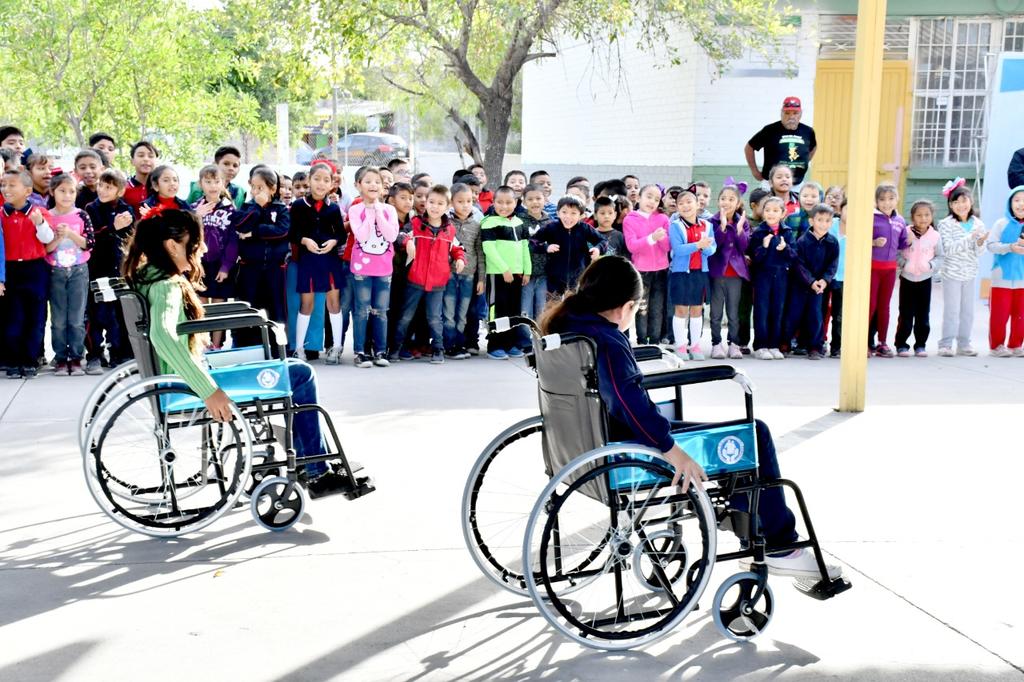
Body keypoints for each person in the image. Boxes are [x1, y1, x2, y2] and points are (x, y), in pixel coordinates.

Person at [539, 256, 841, 580]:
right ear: (626, 306)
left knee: (734, 441)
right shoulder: (608, 340)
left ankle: (748, 522)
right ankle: (780, 546)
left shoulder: (570, 326)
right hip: (634, 446)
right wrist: (673, 451)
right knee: (754, 435)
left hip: (584, 446)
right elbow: (628, 401)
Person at [122, 208, 350, 497]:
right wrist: (208, 390)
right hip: (187, 385)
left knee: (284, 366)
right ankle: (315, 470)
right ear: (171, 246)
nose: (202, 249)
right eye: (194, 244)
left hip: (183, 375)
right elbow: (162, 335)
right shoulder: (166, 286)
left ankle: (312, 460)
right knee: (300, 373)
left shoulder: (147, 277)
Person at [392, 185, 466, 364]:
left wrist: (460, 259)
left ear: (447, 206)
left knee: (435, 318)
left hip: (438, 282)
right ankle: (395, 348)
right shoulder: (416, 223)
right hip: (414, 279)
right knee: (405, 317)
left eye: (440, 203)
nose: (434, 206)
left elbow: (457, 247)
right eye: (431, 202)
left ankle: (438, 349)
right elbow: (400, 235)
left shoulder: (450, 230)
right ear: (426, 203)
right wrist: (408, 242)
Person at [289, 163, 346, 364]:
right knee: (307, 303)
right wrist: (305, 240)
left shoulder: (334, 208)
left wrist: (334, 241)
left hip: (330, 260)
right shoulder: (297, 206)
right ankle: (299, 349)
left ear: (332, 183)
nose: (321, 184)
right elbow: (293, 233)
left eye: (326, 180)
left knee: (334, 303)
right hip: (308, 260)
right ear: (309, 180)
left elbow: (340, 233)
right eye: (317, 179)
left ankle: (336, 347)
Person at [0, 169, 54, 379]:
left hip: (35, 268)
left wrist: (39, 222)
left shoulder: (38, 212)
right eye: (4, 185)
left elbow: (47, 238)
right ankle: (14, 360)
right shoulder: (2, 214)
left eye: (12, 185)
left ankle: (31, 360)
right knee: (14, 318)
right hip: (11, 269)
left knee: (36, 316)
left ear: (28, 190)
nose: (6, 189)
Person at [347, 166, 399, 367]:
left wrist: (378, 212)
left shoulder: (389, 209)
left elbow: (391, 236)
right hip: (361, 269)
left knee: (381, 310)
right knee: (361, 310)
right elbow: (360, 235)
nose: (373, 185)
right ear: (358, 185)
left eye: (377, 181)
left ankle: (380, 351)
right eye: (367, 181)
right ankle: (360, 351)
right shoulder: (355, 209)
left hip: (384, 268)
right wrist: (369, 215)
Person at [85, 169, 135, 373]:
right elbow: (91, 237)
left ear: (120, 191)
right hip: (96, 269)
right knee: (97, 314)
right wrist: (112, 227)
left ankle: (119, 353)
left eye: (109, 187)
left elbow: (130, 238)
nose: (103, 190)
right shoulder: (91, 208)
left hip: (119, 270)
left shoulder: (126, 209)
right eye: (101, 185)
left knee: (119, 313)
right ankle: (94, 354)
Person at [234, 167, 291, 347]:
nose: (256, 192)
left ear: (272, 189)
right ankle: (246, 345)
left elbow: (282, 231)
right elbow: (242, 225)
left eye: (261, 188)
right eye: (253, 187)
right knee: (249, 306)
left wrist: (255, 233)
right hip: (249, 267)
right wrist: (257, 207)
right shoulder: (248, 207)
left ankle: (277, 347)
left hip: (274, 268)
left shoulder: (281, 209)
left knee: (275, 308)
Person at [45, 174, 95, 375]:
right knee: (58, 319)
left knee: (76, 317)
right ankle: (60, 357)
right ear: (52, 192)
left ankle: (75, 357)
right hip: (55, 270)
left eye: (71, 191)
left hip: (78, 270)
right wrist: (58, 237)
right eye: (62, 191)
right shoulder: (47, 215)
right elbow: (45, 248)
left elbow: (89, 243)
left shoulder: (82, 215)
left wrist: (71, 234)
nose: (67, 195)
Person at [936, 178, 987, 357]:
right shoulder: (945, 224)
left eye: (964, 200)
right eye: (955, 202)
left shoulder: (979, 224)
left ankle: (964, 343)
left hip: (970, 273)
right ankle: (946, 343)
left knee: (968, 311)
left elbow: (980, 252)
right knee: (952, 310)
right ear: (950, 205)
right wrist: (969, 238)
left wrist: (980, 242)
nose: (960, 205)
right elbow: (948, 250)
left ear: (971, 201)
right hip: (952, 274)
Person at [191, 166, 239, 350]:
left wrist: (226, 266)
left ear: (223, 183)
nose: (213, 186)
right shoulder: (194, 208)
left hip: (220, 264)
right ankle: (202, 344)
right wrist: (196, 216)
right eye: (208, 181)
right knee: (200, 305)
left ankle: (217, 345)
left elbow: (233, 242)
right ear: (200, 184)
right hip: (199, 264)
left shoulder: (230, 209)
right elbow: (187, 234)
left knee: (218, 306)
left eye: (216, 181)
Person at [481, 185, 531, 359]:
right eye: (500, 202)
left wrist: (527, 271)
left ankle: (510, 343)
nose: (504, 206)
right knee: (498, 310)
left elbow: (525, 248)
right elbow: (489, 249)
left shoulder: (519, 223)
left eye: (508, 202)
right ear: (493, 203)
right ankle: (495, 345)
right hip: (498, 274)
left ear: (516, 202)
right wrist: (504, 269)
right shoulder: (489, 222)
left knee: (513, 310)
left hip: (517, 275)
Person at [784, 204, 839, 360]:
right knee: (793, 315)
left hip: (819, 287)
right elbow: (798, 264)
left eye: (827, 220)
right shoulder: (802, 241)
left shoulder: (832, 242)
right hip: (800, 285)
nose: (823, 224)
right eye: (820, 220)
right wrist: (811, 281)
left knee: (815, 315)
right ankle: (785, 343)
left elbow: (832, 265)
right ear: (811, 221)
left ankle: (815, 346)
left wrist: (824, 281)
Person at [668, 189, 716, 360]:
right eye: (681, 203)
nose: (685, 206)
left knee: (697, 309)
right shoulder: (675, 226)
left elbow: (712, 249)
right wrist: (698, 245)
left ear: (697, 204)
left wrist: (705, 247)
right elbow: (678, 250)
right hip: (680, 273)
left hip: (700, 273)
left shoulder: (707, 225)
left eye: (689, 202)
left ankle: (695, 346)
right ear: (677, 208)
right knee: (681, 309)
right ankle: (680, 346)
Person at [748, 196, 795, 360]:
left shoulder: (787, 232)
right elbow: (754, 257)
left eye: (775, 210)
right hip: (762, 277)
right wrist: (764, 246)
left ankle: (774, 345)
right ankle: (760, 346)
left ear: (783, 213)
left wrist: (785, 248)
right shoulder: (759, 232)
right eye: (767, 210)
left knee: (778, 310)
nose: (771, 213)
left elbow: (793, 256)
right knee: (762, 310)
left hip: (781, 277)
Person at [530, 195, 605, 298]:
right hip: (554, 280)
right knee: (553, 308)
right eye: (564, 212)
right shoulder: (551, 227)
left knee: (575, 308)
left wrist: (598, 248)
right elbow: (532, 242)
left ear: (581, 215)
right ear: (558, 213)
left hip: (579, 278)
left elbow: (602, 240)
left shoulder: (584, 228)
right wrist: (546, 247)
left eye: (573, 213)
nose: (568, 217)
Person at [868, 182, 912, 358]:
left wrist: (907, 240)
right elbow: (861, 239)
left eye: (891, 198)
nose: (887, 203)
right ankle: (864, 342)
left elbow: (901, 244)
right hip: (873, 267)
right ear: (876, 201)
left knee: (884, 306)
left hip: (890, 269)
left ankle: (882, 342)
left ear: (897, 199)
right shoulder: (871, 217)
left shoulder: (900, 220)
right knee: (870, 305)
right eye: (882, 199)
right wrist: (873, 242)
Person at [707, 182, 750, 360]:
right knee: (716, 312)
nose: (727, 202)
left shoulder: (743, 222)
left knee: (733, 312)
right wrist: (723, 228)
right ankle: (716, 343)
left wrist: (739, 230)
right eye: (723, 198)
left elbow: (744, 247)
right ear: (718, 202)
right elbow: (713, 247)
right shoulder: (712, 221)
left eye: (731, 199)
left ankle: (734, 343)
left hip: (736, 274)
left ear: (738, 202)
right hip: (718, 273)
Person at [623, 185, 670, 346]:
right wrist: (652, 238)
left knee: (657, 308)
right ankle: (642, 341)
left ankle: (655, 341)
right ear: (640, 197)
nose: (652, 202)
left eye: (657, 199)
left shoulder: (663, 219)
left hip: (661, 270)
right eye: (649, 196)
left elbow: (667, 247)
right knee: (642, 309)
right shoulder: (630, 219)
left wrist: (661, 238)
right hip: (641, 271)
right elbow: (632, 246)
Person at [894, 200, 942, 358]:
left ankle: (920, 345)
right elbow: (897, 252)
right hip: (907, 279)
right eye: (919, 215)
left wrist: (930, 265)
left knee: (923, 314)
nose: (923, 218)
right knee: (906, 313)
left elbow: (940, 257)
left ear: (932, 216)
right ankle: (901, 345)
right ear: (913, 217)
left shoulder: (935, 236)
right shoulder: (905, 231)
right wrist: (904, 264)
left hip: (925, 279)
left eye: (927, 214)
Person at [445, 183, 484, 359]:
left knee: (462, 313)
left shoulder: (477, 223)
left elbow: (480, 253)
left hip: (469, 275)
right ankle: (448, 344)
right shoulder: (446, 222)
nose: (465, 205)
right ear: (451, 202)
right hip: (449, 275)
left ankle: (460, 344)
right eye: (460, 201)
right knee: (449, 312)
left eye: (469, 201)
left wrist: (481, 278)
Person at [745, 96, 818, 185]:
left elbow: (814, 147)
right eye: (787, 113)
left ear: (801, 114)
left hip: (797, 184)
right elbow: (749, 147)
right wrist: (755, 171)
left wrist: (805, 161)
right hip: (771, 184)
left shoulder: (808, 131)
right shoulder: (769, 130)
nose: (791, 117)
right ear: (781, 113)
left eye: (795, 113)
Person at [986, 185, 1024, 357]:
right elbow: (991, 246)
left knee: (1021, 315)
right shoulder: (1001, 224)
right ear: (1010, 204)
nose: (1021, 204)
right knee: (999, 314)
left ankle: (1016, 345)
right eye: (1016, 200)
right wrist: (1010, 247)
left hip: (1022, 280)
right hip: (1001, 278)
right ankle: (996, 346)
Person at [386, 182, 415, 355]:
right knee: (390, 310)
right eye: (403, 198)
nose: (408, 202)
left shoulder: (414, 222)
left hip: (408, 275)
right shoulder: (386, 220)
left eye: (410, 198)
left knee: (405, 311)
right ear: (391, 200)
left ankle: (402, 345)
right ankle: (387, 345)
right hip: (389, 273)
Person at [520, 184, 549, 331]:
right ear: (524, 201)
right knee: (525, 307)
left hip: (544, 273)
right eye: (530, 199)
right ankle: (525, 339)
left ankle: (540, 337)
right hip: (526, 273)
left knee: (541, 307)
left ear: (545, 199)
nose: (535, 202)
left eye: (538, 198)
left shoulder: (550, 222)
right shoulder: (520, 221)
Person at [823, 200, 847, 358]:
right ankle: (819, 342)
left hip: (845, 278)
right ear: (841, 209)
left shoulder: (860, 230)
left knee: (839, 315)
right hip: (826, 275)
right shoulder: (831, 225)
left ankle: (837, 346)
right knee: (821, 311)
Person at [123, 141, 159, 212]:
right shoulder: (122, 189)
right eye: (141, 155)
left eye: (150, 156)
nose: (146, 159)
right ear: (132, 161)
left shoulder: (162, 188)